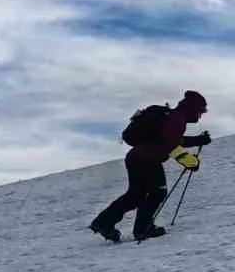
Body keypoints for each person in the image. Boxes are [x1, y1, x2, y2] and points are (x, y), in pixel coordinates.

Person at [90, 90, 211, 243]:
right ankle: (143, 229)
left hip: (135, 158)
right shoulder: (177, 119)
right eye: (201, 111)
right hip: (148, 159)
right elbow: (170, 143)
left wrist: (197, 140)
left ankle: (104, 223)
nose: (201, 115)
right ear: (193, 109)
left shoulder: (172, 116)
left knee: (135, 194)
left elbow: (170, 139)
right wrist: (189, 161)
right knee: (158, 192)